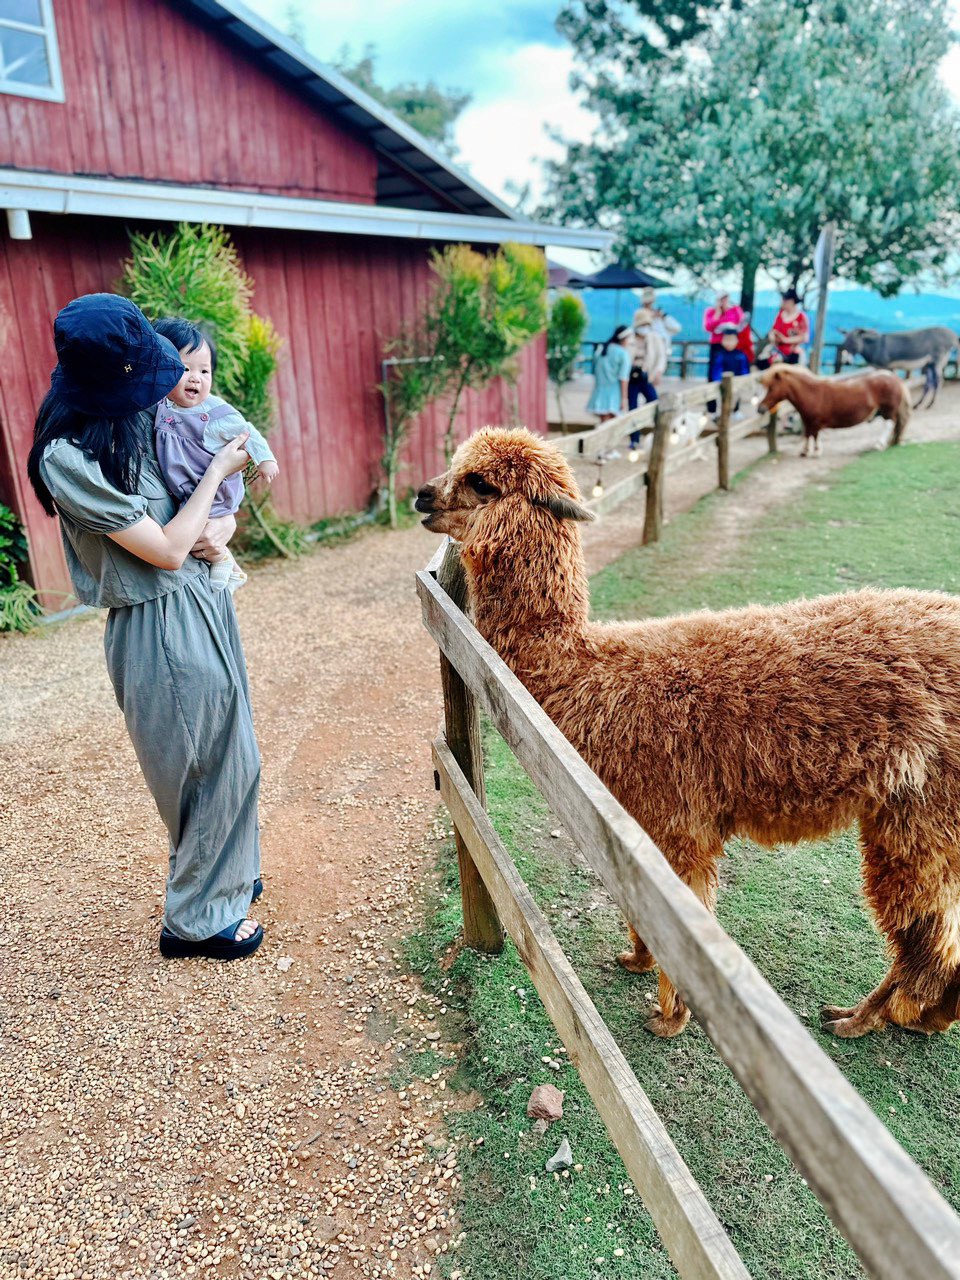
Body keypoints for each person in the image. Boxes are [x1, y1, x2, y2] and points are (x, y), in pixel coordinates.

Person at [27, 294, 265, 961]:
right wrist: (218, 476)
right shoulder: (66, 459)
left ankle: (227, 877)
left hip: (201, 598)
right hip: (155, 618)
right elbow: (162, 547)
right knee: (198, 767)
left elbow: (197, 511)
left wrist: (223, 519)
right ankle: (193, 921)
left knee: (235, 754)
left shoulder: (128, 417)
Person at [153, 318, 279, 593]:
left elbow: (247, 432)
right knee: (195, 532)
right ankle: (232, 568)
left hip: (210, 488)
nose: (196, 377)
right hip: (188, 487)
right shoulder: (162, 405)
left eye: (205, 371)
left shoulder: (212, 413)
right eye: (185, 369)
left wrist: (265, 459)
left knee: (197, 532)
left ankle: (225, 563)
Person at [587, 325, 632, 422]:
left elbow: (595, 371)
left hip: (599, 392)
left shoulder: (601, 349)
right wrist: (624, 399)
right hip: (614, 394)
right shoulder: (623, 354)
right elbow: (623, 378)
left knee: (603, 424)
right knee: (611, 426)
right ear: (624, 339)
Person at [758, 288, 810, 369]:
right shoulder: (780, 315)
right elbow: (773, 330)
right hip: (777, 348)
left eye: (785, 300)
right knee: (763, 360)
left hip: (793, 350)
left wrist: (785, 340)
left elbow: (804, 337)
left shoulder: (801, 317)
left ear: (792, 301)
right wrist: (773, 338)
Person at [639, 287, 680, 383]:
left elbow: (676, 328)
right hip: (647, 351)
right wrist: (648, 319)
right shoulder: (640, 314)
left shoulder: (660, 316)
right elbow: (640, 331)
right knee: (648, 377)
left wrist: (663, 316)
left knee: (657, 376)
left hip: (662, 349)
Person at [704, 290, 746, 380]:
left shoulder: (735, 310)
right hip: (717, 344)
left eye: (725, 298)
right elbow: (708, 327)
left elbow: (742, 322)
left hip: (732, 343)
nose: (723, 301)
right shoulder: (710, 311)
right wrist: (718, 313)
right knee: (715, 366)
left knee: (733, 366)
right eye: (721, 299)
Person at [629, 309, 663, 409]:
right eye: (642, 325)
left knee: (653, 401)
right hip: (632, 376)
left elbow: (661, 357)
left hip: (648, 374)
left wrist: (658, 372)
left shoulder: (654, 338)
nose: (645, 327)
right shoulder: (630, 338)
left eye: (647, 324)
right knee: (632, 404)